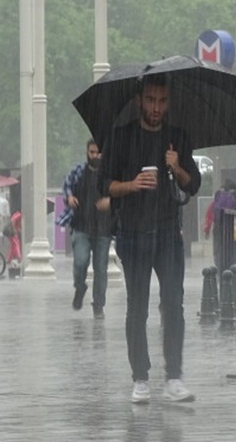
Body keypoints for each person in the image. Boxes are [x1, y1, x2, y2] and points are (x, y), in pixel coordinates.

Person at [100, 74, 201, 404]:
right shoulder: (120, 138)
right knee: (137, 308)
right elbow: (105, 185)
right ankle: (140, 378)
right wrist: (133, 184)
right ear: (139, 101)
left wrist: (178, 167)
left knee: (174, 306)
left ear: (168, 103)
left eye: (162, 101)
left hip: (169, 234)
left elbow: (193, 185)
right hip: (132, 233)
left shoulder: (178, 139)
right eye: (151, 100)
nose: (156, 107)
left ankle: (174, 376)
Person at [56, 139, 112, 318]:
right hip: (81, 226)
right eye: (92, 152)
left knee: (101, 269)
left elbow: (119, 193)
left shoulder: (110, 174)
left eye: (98, 152)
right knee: (80, 262)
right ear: (87, 152)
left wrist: (110, 201)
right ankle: (80, 288)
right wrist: (69, 197)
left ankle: (99, 305)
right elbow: (66, 187)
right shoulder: (79, 171)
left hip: (103, 228)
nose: (95, 156)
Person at [204, 179, 236, 273]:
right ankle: (230, 270)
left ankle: (220, 270)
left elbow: (209, 215)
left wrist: (207, 230)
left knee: (218, 250)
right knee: (231, 249)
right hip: (232, 227)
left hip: (218, 227)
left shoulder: (217, 198)